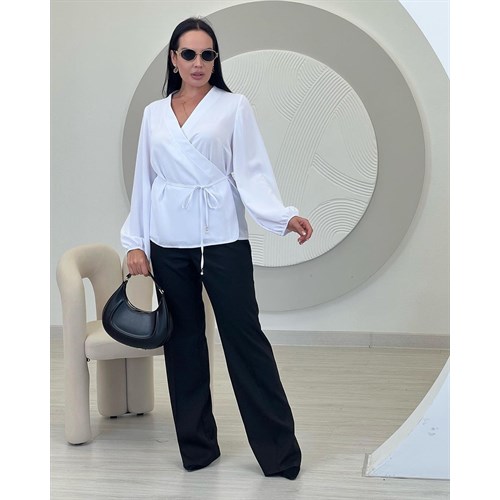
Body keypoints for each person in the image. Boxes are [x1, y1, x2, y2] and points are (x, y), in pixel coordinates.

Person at [121, 16, 313, 480]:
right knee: (183, 345)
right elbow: (145, 181)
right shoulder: (153, 114)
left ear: (215, 59)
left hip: (223, 239)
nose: (198, 62)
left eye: (207, 54)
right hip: (168, 242)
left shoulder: (233, 106)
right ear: (174, 58)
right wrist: (134, 242)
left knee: (244, 340)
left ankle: (279, 456)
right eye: (189, 54)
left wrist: (281, 216)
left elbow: (252, 171)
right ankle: (198, 449)